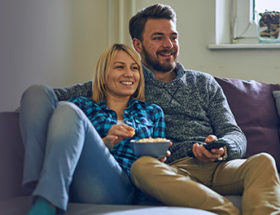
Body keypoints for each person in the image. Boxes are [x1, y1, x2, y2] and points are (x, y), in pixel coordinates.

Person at [20, 3, 280, 215]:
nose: (169, 44)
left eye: (173, 37)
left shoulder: (204, 83)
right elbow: (49, 98)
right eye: (158, 38)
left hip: (218, 166)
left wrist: (223, 146)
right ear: (138, 44)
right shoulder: (128, 81)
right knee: (143, 167)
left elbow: (235, 133)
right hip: (170, 170)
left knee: (263, 162)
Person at [20, 43, 166, 215]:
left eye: (135, 68)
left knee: (68, 110)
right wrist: (105, 142)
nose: (129, 74)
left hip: (122, 188)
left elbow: (158, 156)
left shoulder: (152, 112)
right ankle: (41, 189)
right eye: (120, 67)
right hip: (74, 178)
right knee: (37, 92)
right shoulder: (83, 106)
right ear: (103, 75)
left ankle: (46, 200)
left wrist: (159, 159)